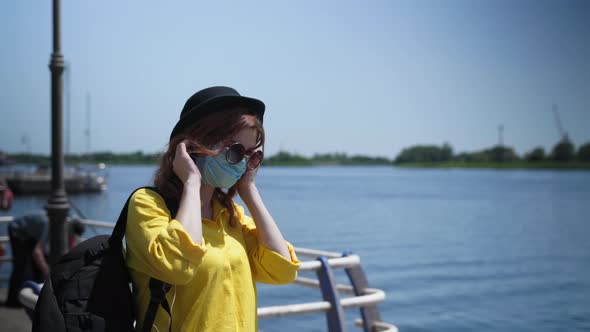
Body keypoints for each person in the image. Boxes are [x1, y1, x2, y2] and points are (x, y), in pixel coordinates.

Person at [125, 86, 301, 331]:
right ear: (193, 146)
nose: (242, 163)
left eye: (251, 156)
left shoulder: (231, 216)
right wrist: (191, 182)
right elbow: (175, 267)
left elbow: (282, 270)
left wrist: (249, 191)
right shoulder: (149, 205)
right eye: (236, 151)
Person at [4, 212, 85, 307]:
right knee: (22, 267)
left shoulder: (69, 220)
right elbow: (37, 252)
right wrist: (47, 271)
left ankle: (34, 297)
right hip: (18, 231)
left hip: (31, 233)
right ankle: (13, 302)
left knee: (36, 268)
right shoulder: (49, 224)